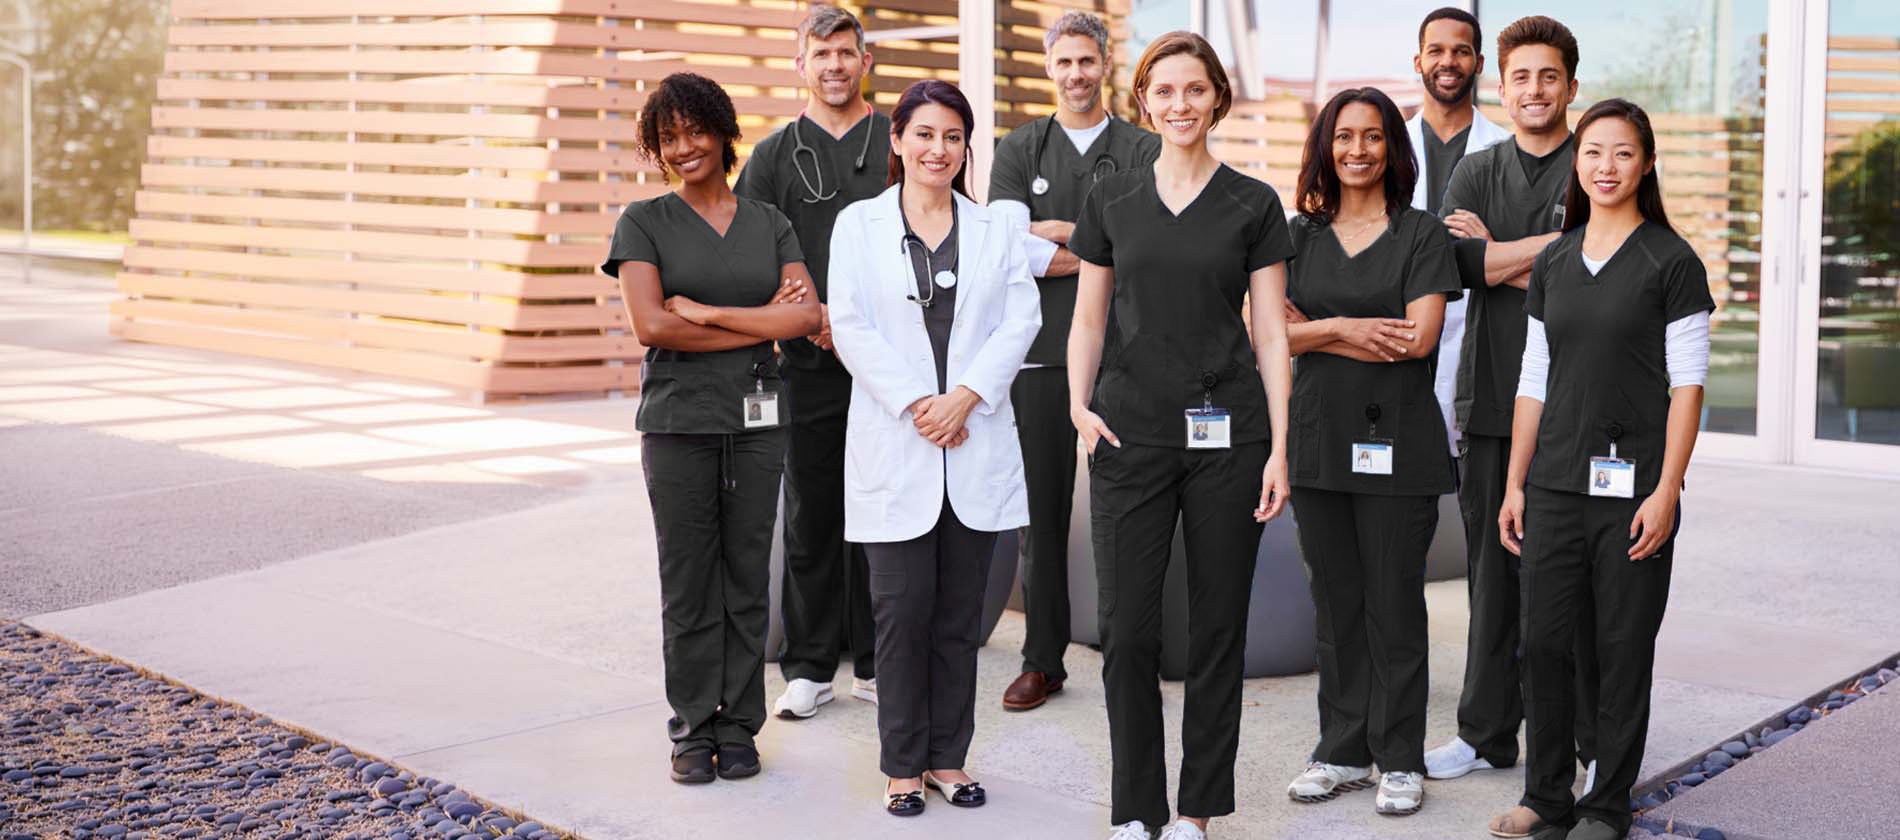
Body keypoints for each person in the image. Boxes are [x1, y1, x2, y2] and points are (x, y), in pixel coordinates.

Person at [1067, 31, 1293, 840]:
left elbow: (1270, 333)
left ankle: (1197, 810)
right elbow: (1088, 318)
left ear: (1217, 98)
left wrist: (1280, 446)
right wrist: (1077, 406)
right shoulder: (1111, 200)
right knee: (1127, 631)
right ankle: (1137, 811)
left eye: (1194, 89)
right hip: (1128, 436)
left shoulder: (1254, 205)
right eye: (1163, 92)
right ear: (1143, 102)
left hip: (1229, 442)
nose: (1180, 105)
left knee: (1218, 625)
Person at [1493, 98, 1713, 840]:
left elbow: (1688, 386)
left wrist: (1667, 489)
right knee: (1545, 644)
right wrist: (1516, 482)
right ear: (1576, 164)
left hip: (1633, 494)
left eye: (1622, 153)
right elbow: (1533, 379)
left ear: (1646, 163)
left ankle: (1606, 805)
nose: (1606, 167)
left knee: (1620, 649)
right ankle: (1545, 797)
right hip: (1554, 484)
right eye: (1593, 153)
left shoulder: (1672, 261)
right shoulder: (1554, 258)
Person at [826, 79, 1042, 818]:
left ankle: (949, 757)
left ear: (965, 147)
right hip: (901, 438)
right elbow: (850, 326)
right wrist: (920, 402)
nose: (938, 149)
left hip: (972, 436)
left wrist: (966, 397)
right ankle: (902, 765)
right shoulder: (858, 226)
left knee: (957, 619)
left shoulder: (995, 229)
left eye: (952, 136)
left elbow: (1021, 319)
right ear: (897, 140)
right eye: (923, 134)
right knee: (900, 614)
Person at [601, 72, 823, 785]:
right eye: (668, 139)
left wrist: (713, 313)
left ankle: (738, 727)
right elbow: (650, 324)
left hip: (759, 423)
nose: (685, 147)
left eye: (696, 131)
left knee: (746, 576)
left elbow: (806, 318)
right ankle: (693, 727)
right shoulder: (643, 221)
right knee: (689, 577)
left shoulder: (770, 222)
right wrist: (759, 325)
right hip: (678, 423)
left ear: (724, 132)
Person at [1425, 15, 1600, 790]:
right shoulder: (1474, 169)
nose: (1534, 90)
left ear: (1570, 85)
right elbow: (1460, 264)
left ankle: (1587, 744)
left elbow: (1607, 278)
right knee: (1491, 580)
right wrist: (1559, 250)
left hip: (1584, 407)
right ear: (1503, 84)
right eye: (1521, 76)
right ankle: (1486, 733)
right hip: (1491, 399)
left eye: (1549, 76)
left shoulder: (1593, 163)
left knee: (1577, 585)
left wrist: (1506, 255)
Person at [1278, 87, 1460, 818]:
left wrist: (1315, 324)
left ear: (1394, 148)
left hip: (1399, 444)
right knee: (1336, 602)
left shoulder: (1421, 234)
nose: (1357, 150)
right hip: (1319, 441)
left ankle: (1399, 758)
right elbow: (1267, 332)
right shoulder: (1298, 235)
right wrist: (1348, 329)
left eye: (1373, 137)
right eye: (1344, 137)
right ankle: (1341, 752)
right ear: (1325, 146)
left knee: (1393, 604)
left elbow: (1419, 337)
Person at [988, 9, 1162, 715]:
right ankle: (1043, 659)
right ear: (1047, 66)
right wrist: (1098, 243)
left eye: (1087, 61)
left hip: (1126, 360)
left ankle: (1132, 653)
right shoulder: (1018, 149)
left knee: (1131, 516)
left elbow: (1148, 247)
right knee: (1042, 520)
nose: (1076, 74)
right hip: (1039, 358)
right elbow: (1005, 249)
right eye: (1063, 62)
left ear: (1105, 65)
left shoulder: (1145, 150)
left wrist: (1060, 236)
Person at [733, 4, 889, 719]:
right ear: (801, 65)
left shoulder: (899, 139)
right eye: (820, 53)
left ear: (866, 61)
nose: (833, 65)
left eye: (845, 52)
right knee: (814, 511)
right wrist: (817, 319)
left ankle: (881, 658)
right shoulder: (772, 156)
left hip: (894, 364)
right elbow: (751, 253)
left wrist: (860, 325)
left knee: (888, 508)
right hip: (809, 361)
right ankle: (810, 663)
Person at [1406, 7, 1510, 460]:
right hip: (1401, 334)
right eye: (1437, 51)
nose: (1448, 61)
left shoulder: (1505, 150)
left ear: (1479, 64)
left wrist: (1491, 249)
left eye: (1461, 51)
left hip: (1480, 345)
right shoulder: (1388, 145)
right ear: (1418, 62)